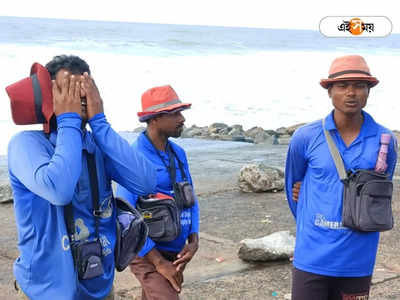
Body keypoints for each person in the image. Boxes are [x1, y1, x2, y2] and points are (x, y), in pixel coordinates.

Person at [7, 55, 156, 300]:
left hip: (100, 285)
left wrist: (100, 122)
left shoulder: (98, 142)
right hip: (44, 291)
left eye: (85, 88)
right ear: (48, 94)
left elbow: (145, 182)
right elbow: (59, 190)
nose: (80, 97)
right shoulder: (25, 145)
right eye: (68, 89)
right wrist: (68, 120)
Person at [285, 55, 397, 300]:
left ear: (369, 91)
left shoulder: (385, 141)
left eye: (359, 86)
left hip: (358, 256)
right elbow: (292, 187)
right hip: (312, 255)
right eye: (343, 86)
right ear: (329, 91)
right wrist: (312, 221)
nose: (351, 93)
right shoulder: (306, 137)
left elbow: (378, 196)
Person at [116, 85, 200, 300]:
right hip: (146, 251)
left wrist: (193, 239)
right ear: (154, 119)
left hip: (174, 247)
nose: (182, 119)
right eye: (175, 114)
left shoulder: (178, 153)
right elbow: (126, 217)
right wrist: (159, 262)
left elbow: (190, 196)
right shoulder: (134, 157)